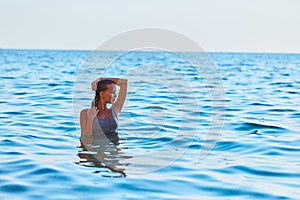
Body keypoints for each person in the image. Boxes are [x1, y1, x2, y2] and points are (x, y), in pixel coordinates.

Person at [80, 77, 128, 144]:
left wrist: (100, 79)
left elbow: (124, 83)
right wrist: (90, 119)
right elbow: (86, 139)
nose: (115, 95)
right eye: (112, 92)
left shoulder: (115, 110)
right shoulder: (86, 113)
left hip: (112, 151)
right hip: (95, 151)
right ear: (102, 94)